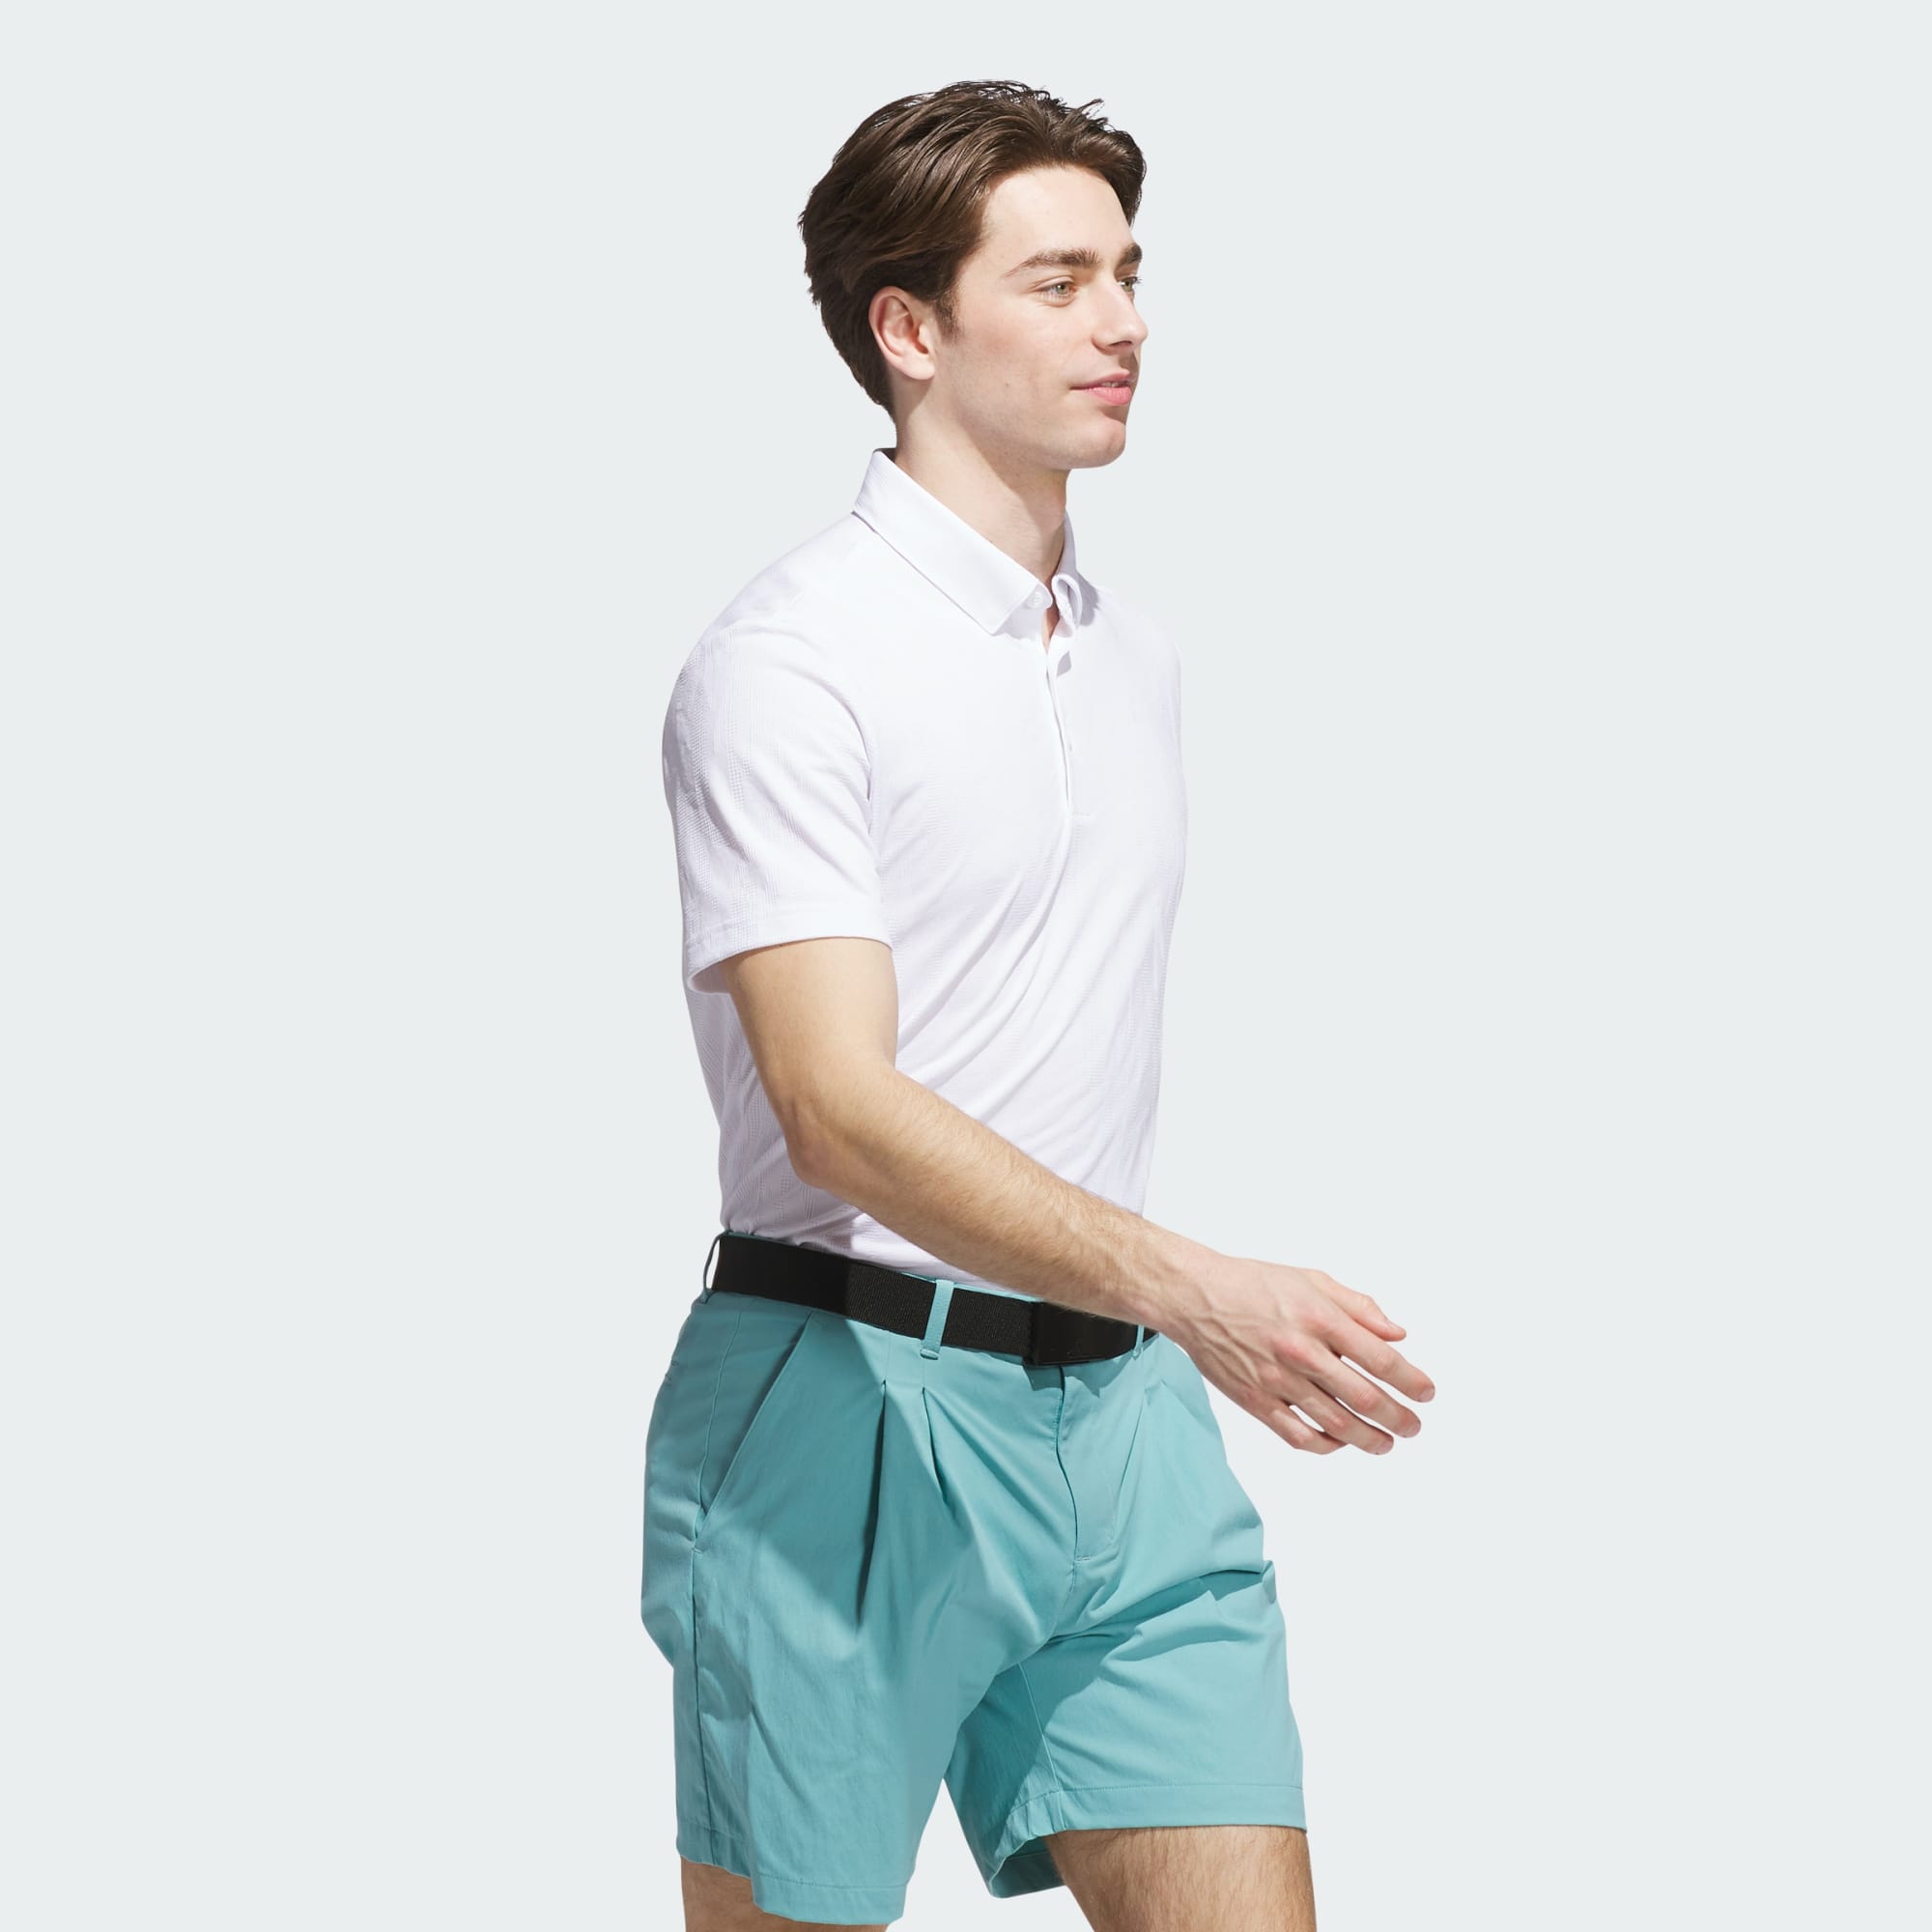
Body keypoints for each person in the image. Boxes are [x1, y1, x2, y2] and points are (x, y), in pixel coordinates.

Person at [643, 79, 1435, 1932]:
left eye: (1131, 274)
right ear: (908, 330)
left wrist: (1160, 1318)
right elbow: (835, 1107)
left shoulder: (1133, 656)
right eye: (1060, 280)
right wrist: (1199, 1289)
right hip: (847, 1403)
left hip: (1127, 1423)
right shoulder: (788, 665)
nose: (1123, 322)